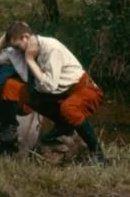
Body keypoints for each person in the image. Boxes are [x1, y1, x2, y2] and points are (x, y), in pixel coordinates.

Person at [6, 21, 105, 165]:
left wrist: (29, 60)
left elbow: (49, 86)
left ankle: (97, 152)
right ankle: (65, 126)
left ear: (26, 37)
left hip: (84, 90)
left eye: (17, 46)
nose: (17, 50)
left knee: (69, 108)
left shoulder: (51, 48)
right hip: (62, 92)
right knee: (30, 96)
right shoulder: (30, 47)